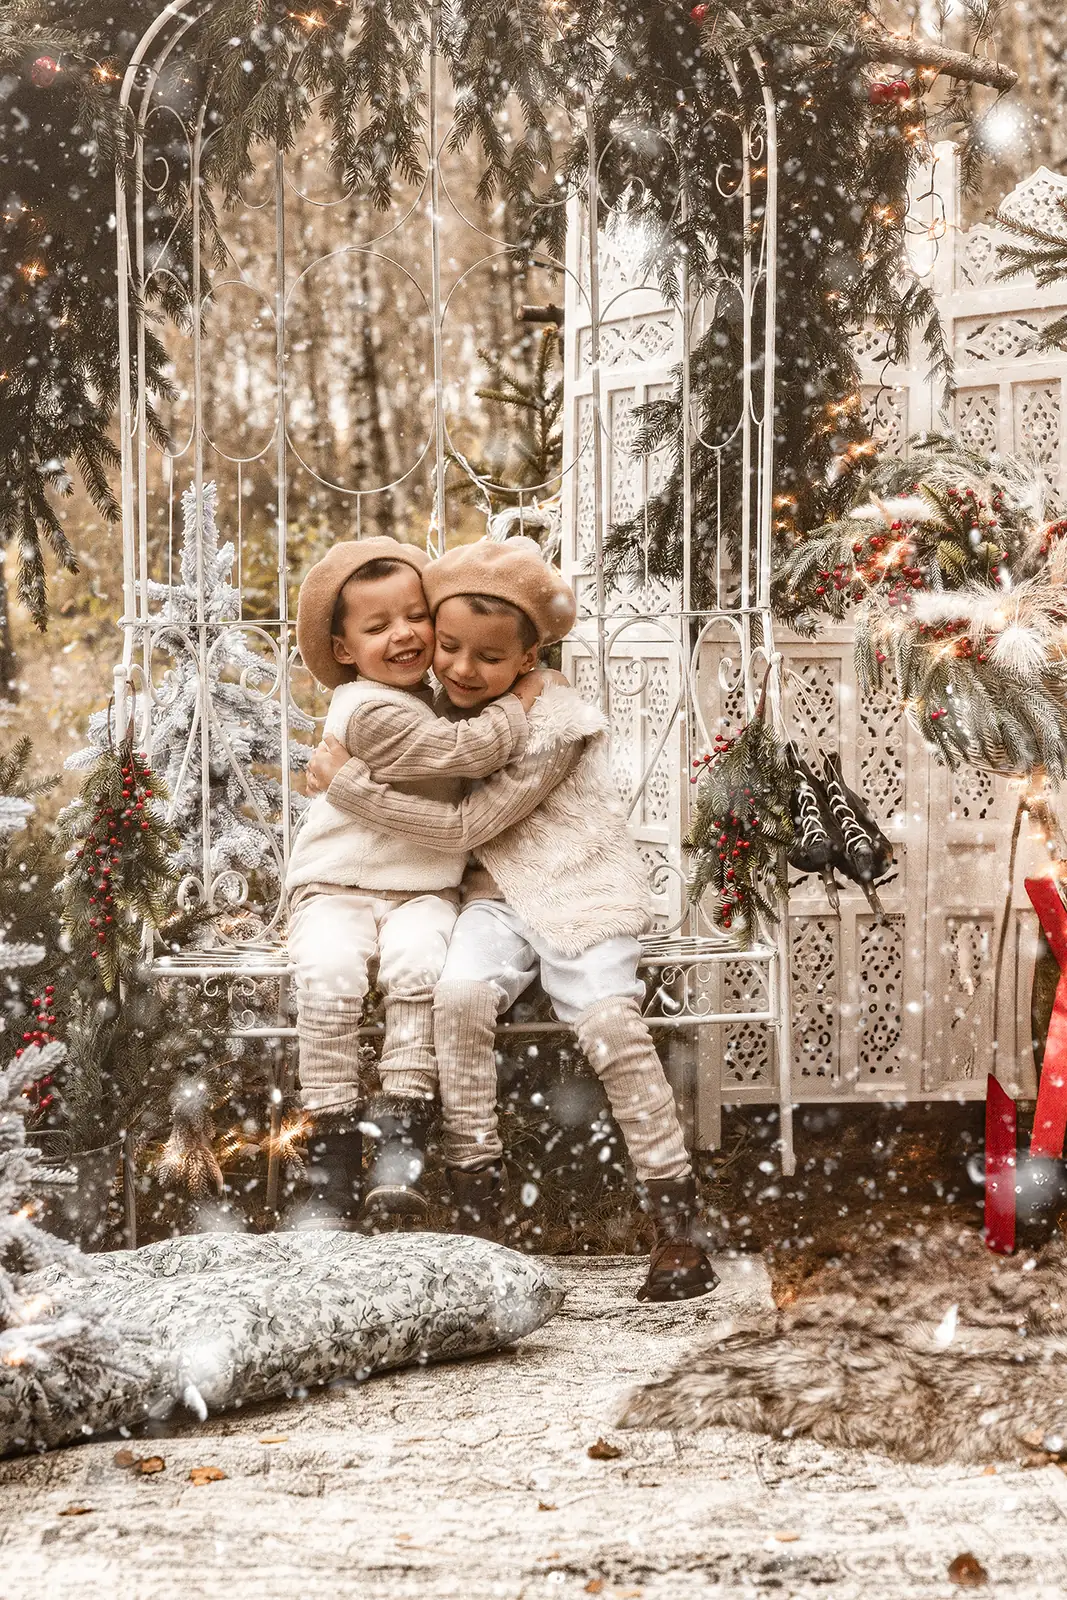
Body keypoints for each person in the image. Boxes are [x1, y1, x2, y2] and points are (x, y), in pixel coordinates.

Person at [306, 537, 718, 1302]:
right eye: (449, 647)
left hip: (575, 889)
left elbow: (464, 828)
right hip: (492, 901)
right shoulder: (430, 709)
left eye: (487, 658)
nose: (462, 668)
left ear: (527, 660)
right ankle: (478, 1205)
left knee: (608, 1024)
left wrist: (348, 787)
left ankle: (677, 1222)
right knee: (456, 999)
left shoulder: (550, 723)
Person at [286, 536, 547, 1226]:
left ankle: (398, 1141)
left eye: (414, 615)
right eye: (377, 627)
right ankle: (331, 1149)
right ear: (345, 650)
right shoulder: (365, 709)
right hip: (335, 886)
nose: (402, 634)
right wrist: (519, 695)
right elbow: (460, 752)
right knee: (330, 973)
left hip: (423, 892)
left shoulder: (437, 695)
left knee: (419, 971)